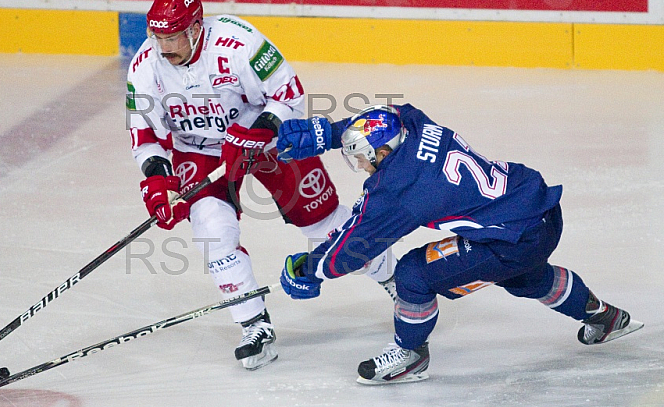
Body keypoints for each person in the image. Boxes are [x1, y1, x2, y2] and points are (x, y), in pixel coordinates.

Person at [125, 0, 394, 370]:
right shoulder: (145, 67)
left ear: (196, 28)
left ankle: (394, 279)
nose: (164, 46)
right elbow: (145, 135)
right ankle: (254, 325)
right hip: (199, 151)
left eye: (173, 37)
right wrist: (156, 180)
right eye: (158, 36)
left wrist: (259, 131)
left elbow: (289, 94)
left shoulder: (240, 43)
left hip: (266, 142)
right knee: (213, 235)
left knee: (324, 224)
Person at [276, 104, 644, 384]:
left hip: (511, 239)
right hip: (538, 207)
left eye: (361, 158)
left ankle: (411, 355)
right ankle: (604, 316)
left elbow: (355, 247)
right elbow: (386, 113)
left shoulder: (400, 191)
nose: (360, 165)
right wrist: (328, 134)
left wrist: (312, 269)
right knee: (523, 277)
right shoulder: (416, 125)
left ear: (384, 153)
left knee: (412, 275)